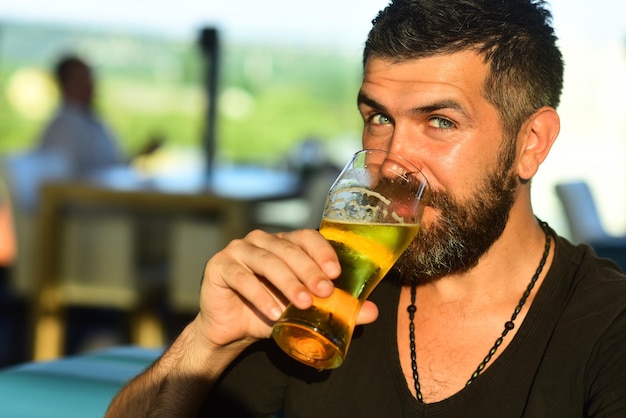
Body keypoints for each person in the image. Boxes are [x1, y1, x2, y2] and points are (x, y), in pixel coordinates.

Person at [106, 0, 626, 416]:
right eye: (379, 118)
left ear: (531, 142)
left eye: (440, 122)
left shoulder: (607, 327)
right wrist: (206, 342)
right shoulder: (322, 293)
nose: (394, 162)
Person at [36, 54, 160, 176]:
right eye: (83, 79)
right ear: (65, 84)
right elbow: (69, 179)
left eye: (91, 79)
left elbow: (110, 163)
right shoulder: (62, 129)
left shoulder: (92, 121)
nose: (91, 85)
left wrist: (139, 154)